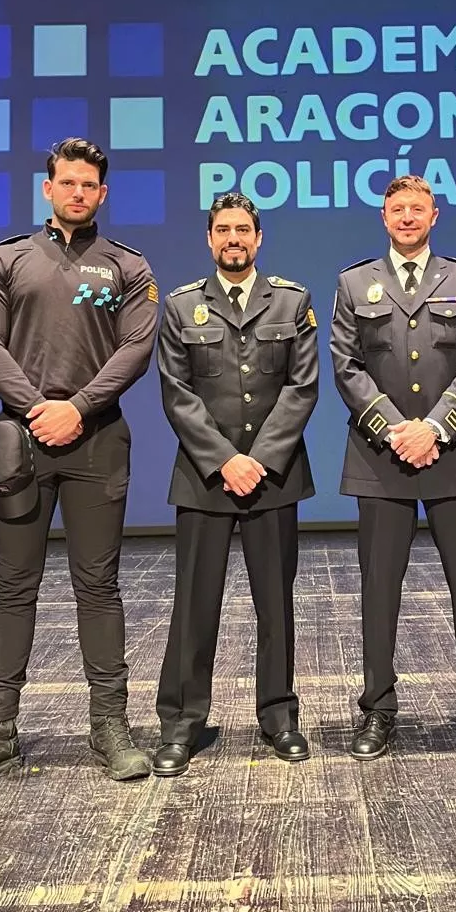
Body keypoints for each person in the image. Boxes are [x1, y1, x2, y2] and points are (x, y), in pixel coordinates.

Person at [0, 137, 159, 792]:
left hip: (98, 442)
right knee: (12, 590)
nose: (78, 193)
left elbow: (136, 349)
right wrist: (39, 408)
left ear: (103, 193)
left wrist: (80, 408)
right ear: (48, 188)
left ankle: (110, 727)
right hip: (22, 439)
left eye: (89, 185)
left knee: (99, 586)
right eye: (67, 183)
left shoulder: (129, 265)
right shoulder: (6, 259)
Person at [329, 175, 456, 761]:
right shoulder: (353, 282)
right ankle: (378, 711)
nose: (407, 218)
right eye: (397, 210)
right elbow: (346, 365)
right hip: (381, 457)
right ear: (383, 218)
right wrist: (396, 430)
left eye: (417, 209)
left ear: (435, 215)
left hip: (452, 453)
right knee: (379, 589)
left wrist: (433, 428)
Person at [152, 193, 319, 775]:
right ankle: (181, 722)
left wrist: (260, 459)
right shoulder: (179, 307)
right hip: (205, 480)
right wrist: (226, 460)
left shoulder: (293, 302)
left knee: (275, 606)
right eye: (223, 230)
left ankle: (279, 716)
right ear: (209, 239)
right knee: (195, 607)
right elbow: (177, 393)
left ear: (259, 237)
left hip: (274, 479)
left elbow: (301, 390)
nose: (234, 239)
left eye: (243, 230)